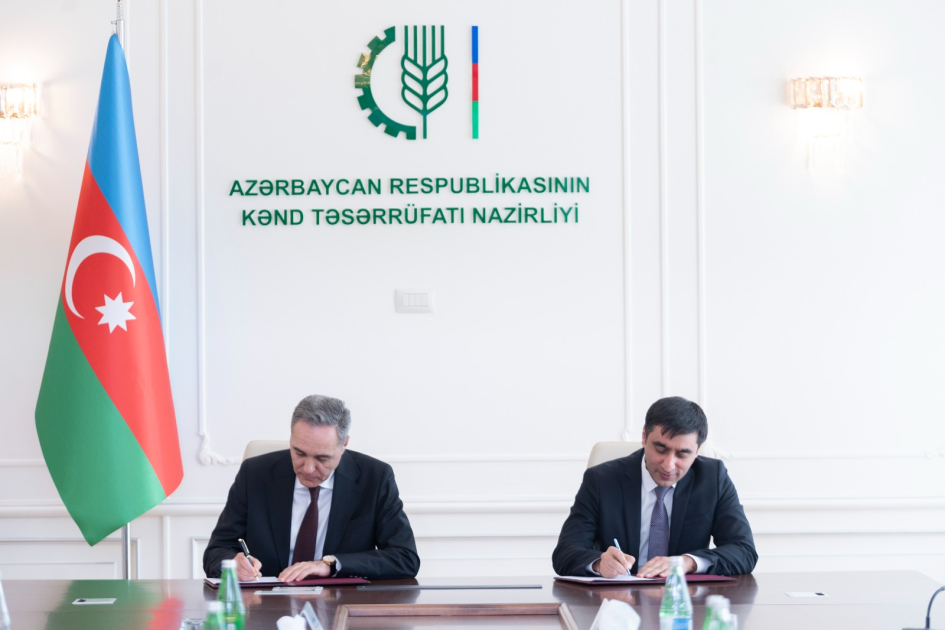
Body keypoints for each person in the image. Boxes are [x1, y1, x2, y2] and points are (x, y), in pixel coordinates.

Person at [203, 395, 420, 581]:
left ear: (344, 444)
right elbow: (217, 550)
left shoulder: (375, 478)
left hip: (341, 603)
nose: (308, 468)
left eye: (322, 458)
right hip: (266, 603)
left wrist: (331, 565)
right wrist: (233, 563)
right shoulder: (255, 474)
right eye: (299, 453)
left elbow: (405, 558)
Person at [552, 396, 757, 578]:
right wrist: (599, 564)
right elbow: (565, 553)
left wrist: (688, 562)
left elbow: (744, 551)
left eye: (682, 454)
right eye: (660, 449)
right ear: (644, 437)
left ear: (697, 450)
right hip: (618, 599)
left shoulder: (713, 478)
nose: (668, 465)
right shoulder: (601, 480)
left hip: (686, 601)